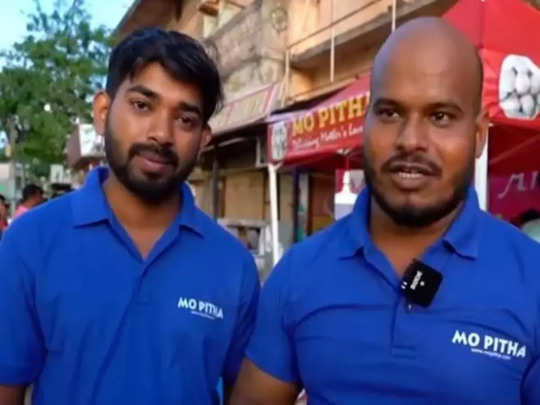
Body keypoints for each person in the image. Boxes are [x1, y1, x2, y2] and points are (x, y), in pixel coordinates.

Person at [231, 17, 540, 405]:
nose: (410, 140)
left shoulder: (533, 278)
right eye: (391, 113)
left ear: (478, 135)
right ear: (366, 123)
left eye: (440, 116)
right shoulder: (299, 273)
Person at [0, 28, 259, 405]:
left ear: (203, 140)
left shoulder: (233, 266)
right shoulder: (31, 242)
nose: (161, 134)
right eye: (142, 105)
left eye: (185, 119)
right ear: (103, 112)